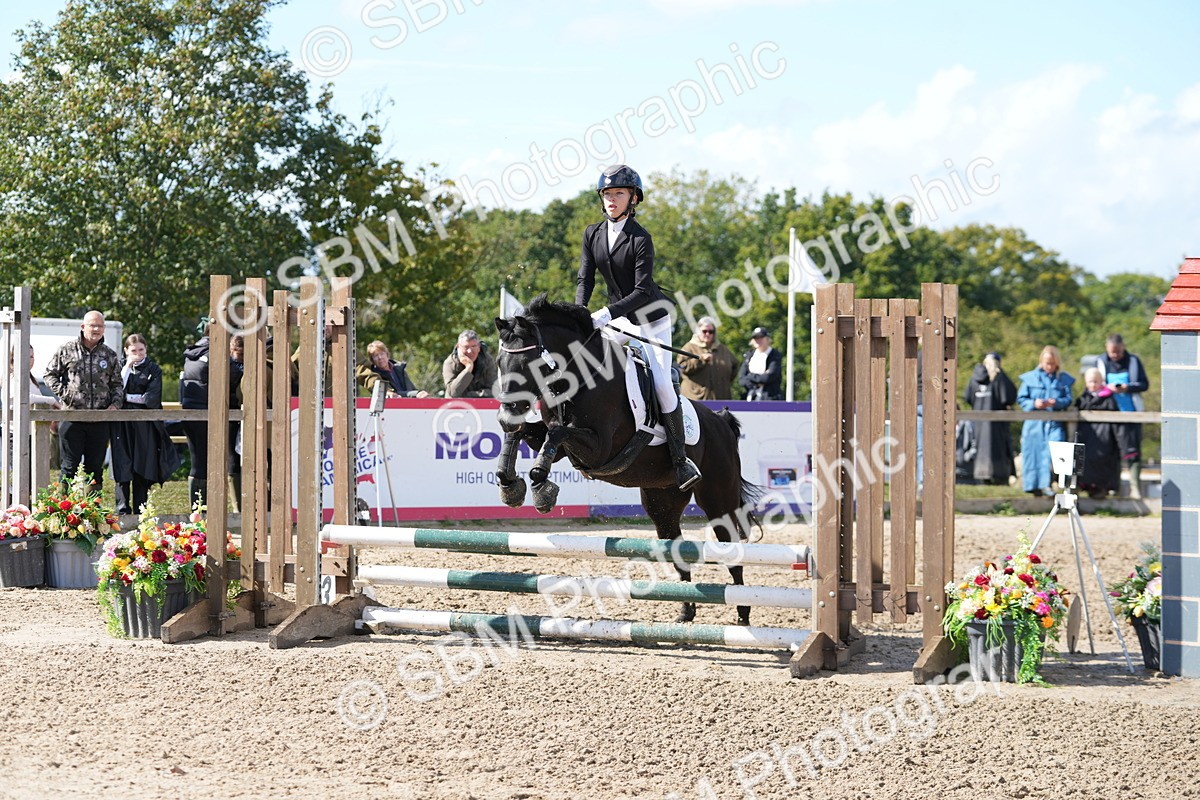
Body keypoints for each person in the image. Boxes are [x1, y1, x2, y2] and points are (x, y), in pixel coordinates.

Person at [576, 164, 700, 490]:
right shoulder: (592, 233)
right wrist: (579, 314)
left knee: (661, 384)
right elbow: (585, 279)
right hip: (617, 318)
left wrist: (604, 313)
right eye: (607, 194)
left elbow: (642, 291)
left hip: (652, 321)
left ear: (633, 199)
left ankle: (680, 460)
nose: (611, 199)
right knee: (584, 361)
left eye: (618, 193)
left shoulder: (640, 239)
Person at [43, 310, 123, 495]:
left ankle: (93, 516)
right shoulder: (67, 349)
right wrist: (66, 395)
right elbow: (50, 374)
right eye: (92, 325)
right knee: (69, 468)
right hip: (72, 418)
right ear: (83, 327)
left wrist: (115, 404)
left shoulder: (109, 355)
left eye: (100, 326)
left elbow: (118, 384)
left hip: (99, 420)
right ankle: (63, 514)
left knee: (95, 469)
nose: (96, 329)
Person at [109, 334, 181, 515]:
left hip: (144, 426)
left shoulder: (153, 369)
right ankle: (122, 511)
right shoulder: (119, 367)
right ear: (126, 351)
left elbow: (151, 399)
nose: (138, 354)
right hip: (122, 425)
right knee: (122, 465)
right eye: (133, 350)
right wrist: (126, 367)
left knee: (142, 466)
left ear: (146, 349)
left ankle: (141, 511)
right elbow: (117, 390)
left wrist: (127, 397)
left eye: (141, 350)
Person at [179, 320, 243, 509]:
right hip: (207, 412)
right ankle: (204, 509)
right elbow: (234, 377)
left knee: (197, 460)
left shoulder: (193, 352)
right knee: (210, 462)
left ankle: (197, 508)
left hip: (190, 411)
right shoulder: (216, 352)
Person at [1096, 333, 1150, 498]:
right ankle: (1113, 486)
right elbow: (1094, 385)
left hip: (1131, 413)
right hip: (1108, 413)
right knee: (1110, 452)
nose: (1115, 355)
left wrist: (1127, 387)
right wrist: (1108, 388)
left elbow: (1144, 384)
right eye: (1112, 352)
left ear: (1123, 347)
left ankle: (1135, 487)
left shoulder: (1133, 361)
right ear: (1107, 348)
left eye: (1118, 352)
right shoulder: (1101, 362)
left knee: (1132, 451)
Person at [1016, 345, 1075, 496]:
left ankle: (1049, 484)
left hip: (1054, 423)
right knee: (1032, 454)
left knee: (1052, 454)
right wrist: (1034, 404)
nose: (1049, 366)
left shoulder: (1063, 379)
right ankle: (1031, 486)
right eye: (1047, 363)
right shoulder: (1030, 378)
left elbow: (1068, 399)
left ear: (1057, 363)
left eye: (1052, 363)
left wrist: (1056, 402)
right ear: (1042, 361)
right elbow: (1022, 399)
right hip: (1034, 424)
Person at [962, 352, 1017, 484]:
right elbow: (1009, 397)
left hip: (979, 425)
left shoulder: (974, 379)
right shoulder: (998, 378)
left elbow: (968, 398)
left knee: (979, 448)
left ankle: (982, 477)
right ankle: (1000, 478)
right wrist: (1001, 373)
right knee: (998, 450)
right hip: (997, 427)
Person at [1073, 367, 1121, 498]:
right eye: (1090, 382)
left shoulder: (1109, 399)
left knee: (1102, 461)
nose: (1093, 385)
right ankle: (1085, 486)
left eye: (1096, 381)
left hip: (1104, 437)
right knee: (1085, 462)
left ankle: (1101, 489)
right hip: (1087, 435)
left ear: (1101, 381)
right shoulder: (1082, 399)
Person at [676, 317, 737, 401]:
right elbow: (682, 367)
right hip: (695, 399)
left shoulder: (722, 349)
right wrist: (700, 360)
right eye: (704, 331)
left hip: (720, 399)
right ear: (698, 332)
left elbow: (735, 366)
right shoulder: (689, 347)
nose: (707, 334)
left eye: (711, 332)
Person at [357, 340, 429, 398]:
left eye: (382, 354)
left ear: (387, 354)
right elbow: (393, 394)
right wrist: (416, 393)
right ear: (372, 360)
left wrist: (420, 394)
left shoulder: (399, 369)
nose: (380, 358)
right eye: (375, 356)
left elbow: (411, 389)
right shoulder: (375, 377)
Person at [442, 330, 498, 398]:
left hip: (481, 406)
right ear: (458, 347)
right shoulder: (450, 363)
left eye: (473, 346)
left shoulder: (487, 360)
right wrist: (468, 368)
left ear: (479, 347)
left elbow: (494, 391)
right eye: (466, 347)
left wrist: (467, 395)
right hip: (455, 406)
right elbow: (453, 393)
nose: (470, 351)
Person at [737, 327, 784, 401]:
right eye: (755, 338)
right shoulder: (749, 355)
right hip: (750, 397)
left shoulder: (774, 355)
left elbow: (768, 377)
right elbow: (741, 378)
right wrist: (754, 382)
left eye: (761, 337)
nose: (758, 340)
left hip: (769, 398)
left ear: (767, 339)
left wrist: (750, 376)